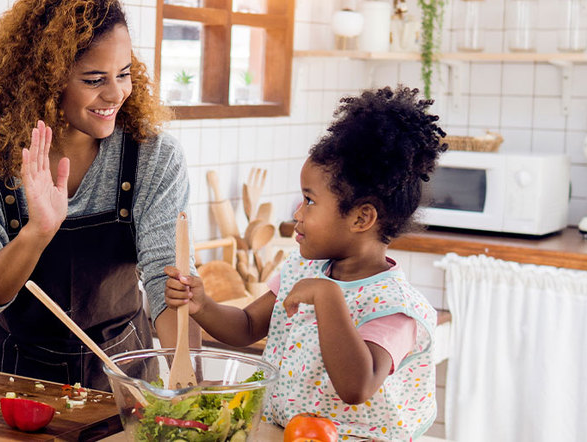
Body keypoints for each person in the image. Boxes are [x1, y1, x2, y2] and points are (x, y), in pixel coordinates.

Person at [0, 0, 194, 391]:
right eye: (94, 79)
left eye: (124, 73)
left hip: (126, 384)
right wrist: (35, 233)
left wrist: (186, 382)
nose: (117, 93)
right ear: (43, 81)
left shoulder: (153, 157)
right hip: (16, 384)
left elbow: (168, 288)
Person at [165, 86, 445, 440]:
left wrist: (328, 297)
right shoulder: (303, 270)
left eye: (310, 201)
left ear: (362, 219)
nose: (297, 213)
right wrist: (202, 305)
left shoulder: (396, 309)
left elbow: (356, 386)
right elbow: (248, 325)